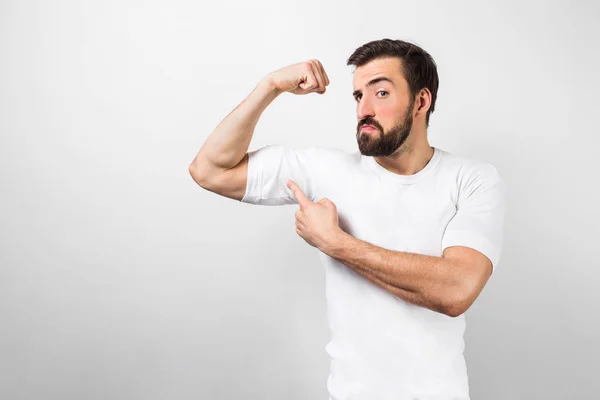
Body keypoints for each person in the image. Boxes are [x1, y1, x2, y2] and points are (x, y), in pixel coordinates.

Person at [188, 38, 507, 400]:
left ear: (421, 101)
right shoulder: (327, 171)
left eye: (381, 93)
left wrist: (336, 243)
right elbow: (208, 170)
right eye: (358, 96)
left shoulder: (472, 179)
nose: (363, 109)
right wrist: (270, 87)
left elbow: (456, 290)